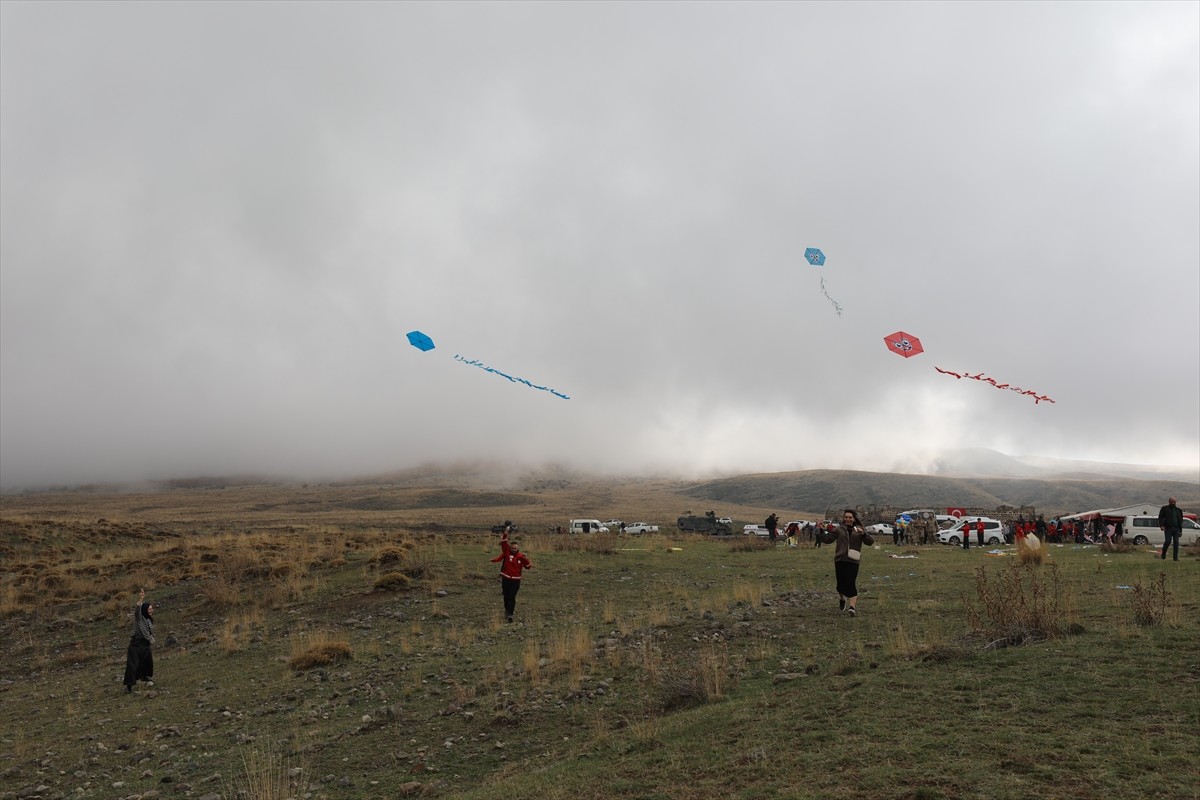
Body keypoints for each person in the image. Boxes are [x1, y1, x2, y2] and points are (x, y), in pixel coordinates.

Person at [817, 509, 874, 617]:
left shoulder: (859, 530)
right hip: (840, 559)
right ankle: (842, 598)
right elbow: (828, 539)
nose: (848, 519)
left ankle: (852, 607)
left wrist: (863, 534)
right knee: (840, 585)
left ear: (854, 519)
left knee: (851, 583)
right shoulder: (838, 529)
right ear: (844, 518)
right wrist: (820, 530)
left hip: (853, 560)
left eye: (850, 517)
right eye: (846, 517)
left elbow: (870, 542)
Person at [491, 529, 532, 622]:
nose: (514, 550)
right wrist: (505, 534)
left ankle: (510, 614)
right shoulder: (507, 553)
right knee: (506, 596)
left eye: (515, 548)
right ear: (510, 548)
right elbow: (504, 543)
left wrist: (525, 559)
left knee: (512, 597)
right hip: (506, 578)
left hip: (516, 580)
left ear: (518, 548)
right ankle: (507, 610)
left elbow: (528, 566)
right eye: (512, 548)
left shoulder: (521, 557)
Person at [123, 589, 155, 693]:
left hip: (145, 645)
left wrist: (150, 640)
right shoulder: (139, 618)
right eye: (149, 609)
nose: (151, 610)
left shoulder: (149, 620)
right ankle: (129, 686)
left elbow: (149, 633)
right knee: (133, 665)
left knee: (147, 662)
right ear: (145, 610)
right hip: (136, 645)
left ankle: (145, 678)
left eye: (152, 609)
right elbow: (137, 611)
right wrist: (141, 599)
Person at [1158, 496, 1184, 561]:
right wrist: (1162, 526)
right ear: (1169, 502)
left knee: (1176, 542)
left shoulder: (1179, 510)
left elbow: (1180, 521)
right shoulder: (1164, 509)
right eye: (1172, 502)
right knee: (1168, 541)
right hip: (1168, 528)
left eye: (1174, 502)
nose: (1173, 503)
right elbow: (1160, 518)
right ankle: (1163, 553)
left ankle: (1175, 558)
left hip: (1176, 528)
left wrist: (1180, 530)